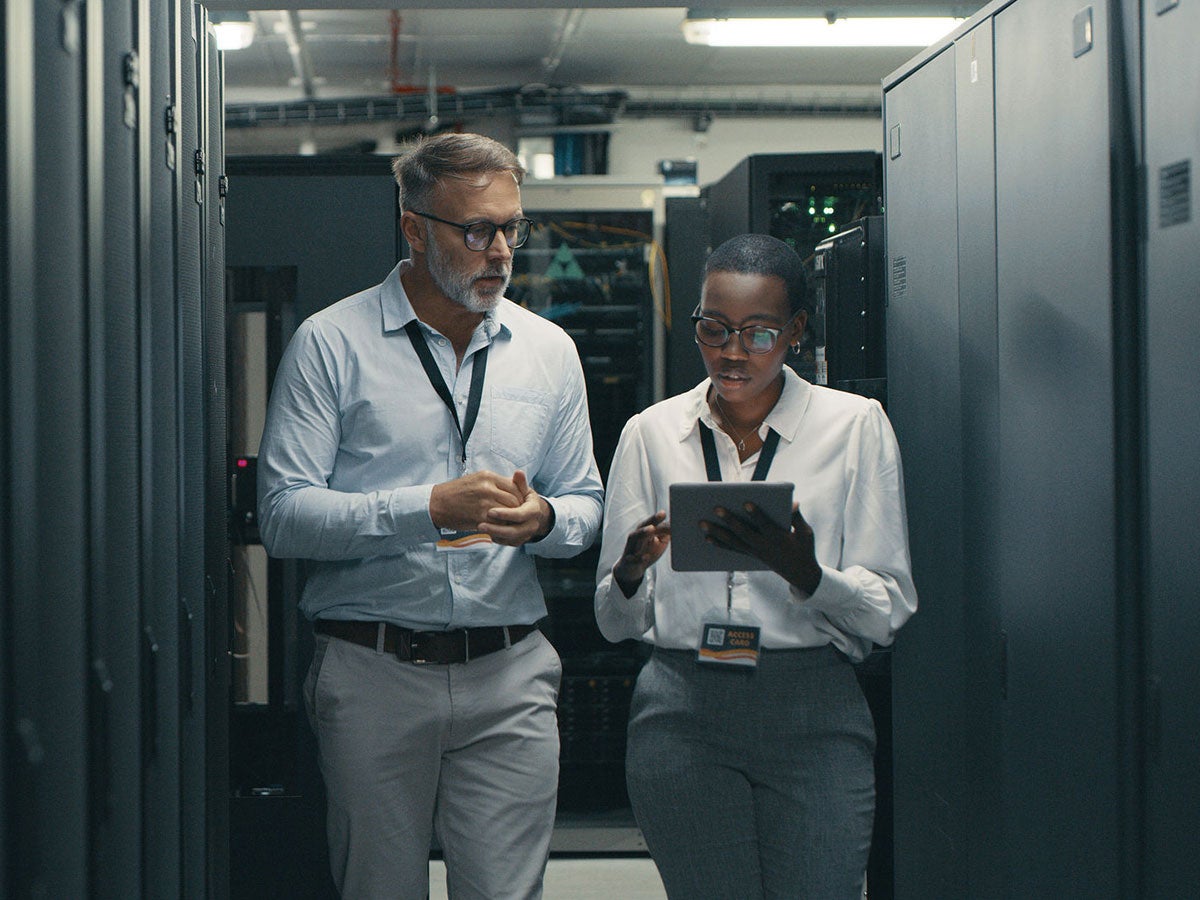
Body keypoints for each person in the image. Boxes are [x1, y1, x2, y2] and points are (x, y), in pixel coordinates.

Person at [258, 132, 604, 899]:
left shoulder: (549, 352)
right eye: (476, 229)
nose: (501, 251)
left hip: (510, 673)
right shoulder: (331, 343)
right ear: (414, 227)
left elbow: (587, 505)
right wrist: (426, 510)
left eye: (513, 228)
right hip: (374, 670)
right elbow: (283, 515)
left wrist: (545, 520)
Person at [594, 233, 916, 899]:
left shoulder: (855, 427)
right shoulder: (652, 433)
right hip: (682, 706)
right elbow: (615, 623)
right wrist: (628, 574)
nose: (732, 352)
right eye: (713, 329)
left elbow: (887, 610)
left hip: (812, 710)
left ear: (797, 330)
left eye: (758, 332)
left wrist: (807, 573)